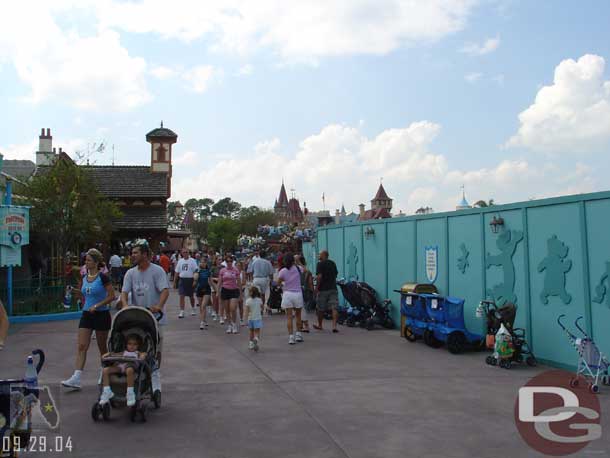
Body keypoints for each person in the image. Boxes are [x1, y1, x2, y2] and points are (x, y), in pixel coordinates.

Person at [62, 248, 116, 389]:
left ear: (96, 262)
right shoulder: (85, 277)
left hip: (101, 315)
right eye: (85, 260)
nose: (86, 262)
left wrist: (98, 305)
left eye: (89, 260)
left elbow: (112, 296)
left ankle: (103, 372)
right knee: (81, 346)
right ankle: (76, 377)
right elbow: (86, 294)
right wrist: (75, 291)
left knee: (102, 347)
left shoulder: (103, 277)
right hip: (87, 314)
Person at [121, 239, 169, 395]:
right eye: (132, 252)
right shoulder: (130, 273)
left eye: (136, 253)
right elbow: (124, 292)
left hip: (155, 317)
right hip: (137, 317)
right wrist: (124, 305)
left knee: (155, 349)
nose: (132, 255)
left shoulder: (157, 271)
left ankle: (155, 375)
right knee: (136, 347)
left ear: (145, 254)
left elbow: (164, 291)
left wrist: (159, 306)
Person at [99, 334, 147, 407]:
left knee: (129, 370)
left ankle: (130, 393)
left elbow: (143, 355)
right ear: (126, 344)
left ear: (138, 345)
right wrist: (108, 354)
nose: (132, 346)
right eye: (129, 344)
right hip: (121, 366)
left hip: (131, 366)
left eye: (135, 344)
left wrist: (143, 355)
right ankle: (107, 391)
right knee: (105, 370)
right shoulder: (124, 352)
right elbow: (114, 354)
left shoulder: (137, 353)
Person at [277, 253, 304, 345]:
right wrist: (298, 261)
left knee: (289, 317)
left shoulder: (283, 271)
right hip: (297, 294)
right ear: (293, 261)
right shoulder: (298, 268)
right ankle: (299, 334)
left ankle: (291, 337)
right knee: (298, 316)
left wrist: (283, 285)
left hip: (287, 294)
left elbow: (278, 282)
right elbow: (305, 269)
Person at [314, 250, 339, 333]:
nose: (318, 256)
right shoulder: (333, 263)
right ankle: (334, 326)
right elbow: (335, 274)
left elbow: (319, 276)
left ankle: (320, 325)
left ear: (324, 255)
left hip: (323, 289)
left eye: (320, 254)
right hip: (333, 288)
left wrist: (317, 287)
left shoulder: (320, 264)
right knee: (334, 307)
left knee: (320, 308)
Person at [217, 255, 242, 334]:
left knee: (233, 308)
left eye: (230, 261)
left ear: (232, 262)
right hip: (225, 290)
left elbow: (239, 282)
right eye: (227, 261)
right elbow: (220, 282)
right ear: (225, 262)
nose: (229, 263)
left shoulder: (236, 270)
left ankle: (234, 324)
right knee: (227, 310)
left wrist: (240, 293)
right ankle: (229, 325)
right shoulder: (222, 270)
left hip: (234, 290)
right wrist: (218, 291)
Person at [174, 249, 198, 318]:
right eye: (184, 252)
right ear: (182, 253)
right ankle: (182, 311)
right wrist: (175, 282)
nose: (185, 253)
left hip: (190, 279)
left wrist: (195, 280)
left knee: (191, 296)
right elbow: (177, 272)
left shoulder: (192, 261)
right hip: (182, 280)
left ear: (188, 253)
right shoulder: (180, 261)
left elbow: (195, 271)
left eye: (186, 252)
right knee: (181, 295)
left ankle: (193, 308)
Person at [250, 250, 274, 315]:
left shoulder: (255, 261)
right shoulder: (268, 262)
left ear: (259, 255)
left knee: (257, 294)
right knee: (263, 295)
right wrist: (272, 280)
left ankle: (257, 308)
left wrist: (252, 279)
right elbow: (271, 273)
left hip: (256, 279)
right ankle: (262, 308)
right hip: (264, 279)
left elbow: (251, 271)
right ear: (265, 255)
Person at [295, 254, 313, 333]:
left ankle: (306, 326)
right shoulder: (301, 269)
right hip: (303, 290)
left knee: (301, 309)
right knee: (300, 309)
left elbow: (309, 281)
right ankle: (301, 325)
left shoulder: (301, 269)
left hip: (301, 291)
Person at [194, 258, 212, 330]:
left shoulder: (208, 271)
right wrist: (197, 273)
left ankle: (202, 323)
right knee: (201, 306)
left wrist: (217, 290)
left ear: (206, 264)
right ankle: (204, 319)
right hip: (199, 289)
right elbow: (195, 280)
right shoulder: (197, 270)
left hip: (207, 289)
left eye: (204, 262)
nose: (202, 264)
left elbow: (211, 282)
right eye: (201, 262)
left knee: (203, 305)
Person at [245, 286, 263, 351]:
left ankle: (251, 344)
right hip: (258, 318)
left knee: (251, 331)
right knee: (257, 331)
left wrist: (245, 319)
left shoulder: (248, 301)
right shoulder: (259, 300)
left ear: (250, 293)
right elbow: (262, 308)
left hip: (250, 319)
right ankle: (256, 339)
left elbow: (246, 311)